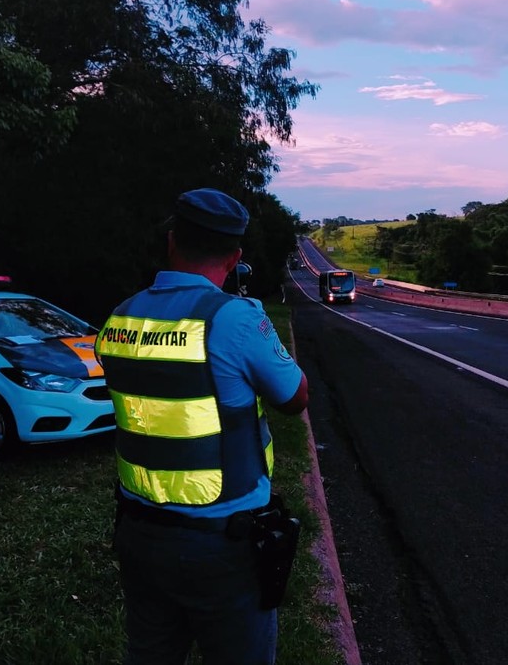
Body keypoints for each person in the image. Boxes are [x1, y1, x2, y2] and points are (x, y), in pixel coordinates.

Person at [95, 188, 309, 665]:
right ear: (235, 258)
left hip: (139, 534)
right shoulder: (234, 319)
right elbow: (295, 398)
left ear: (172, 240)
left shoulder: (120, 317)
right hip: (220, 545)